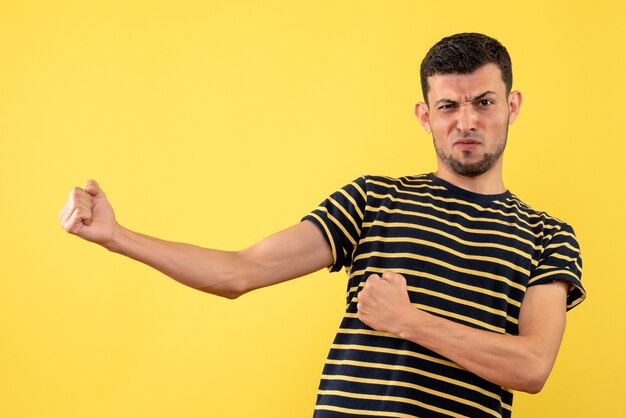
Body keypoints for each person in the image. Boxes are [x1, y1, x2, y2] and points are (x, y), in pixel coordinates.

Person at [58, 33, 585, 417]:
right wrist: (117, 236)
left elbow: (533, 366)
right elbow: (240, 271)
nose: (466, 121)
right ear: (425, 115)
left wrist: (408, 320)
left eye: (483, 102)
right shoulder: (376, 198)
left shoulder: (547, 235)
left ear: (511, 106)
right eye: (448, 105)